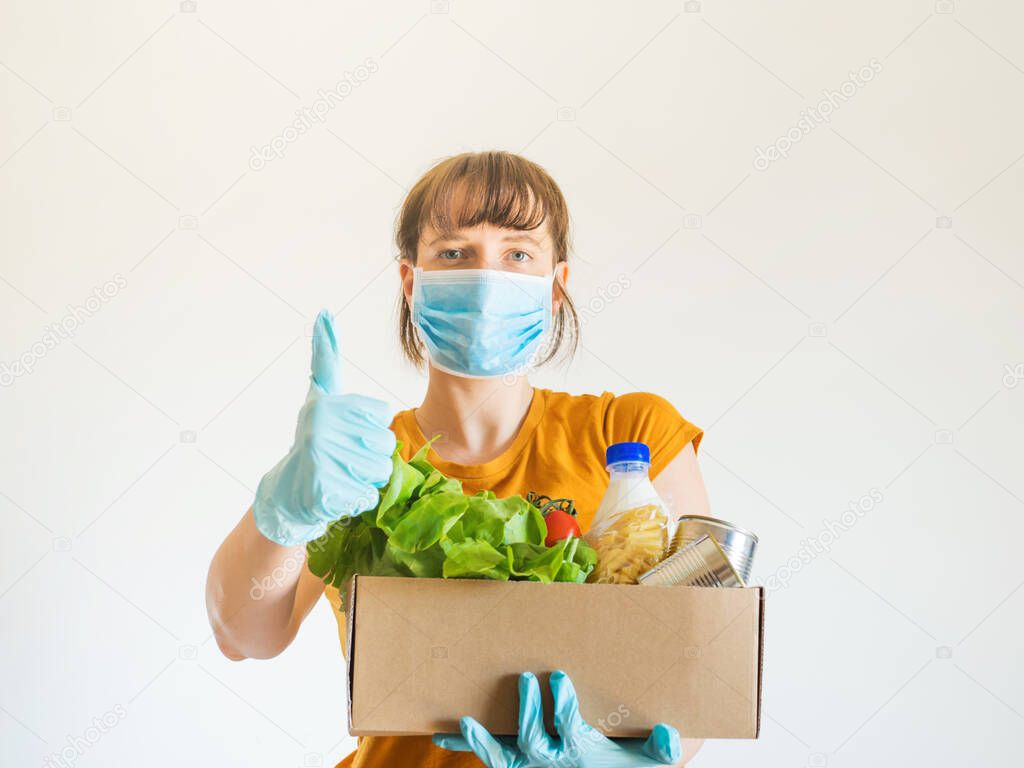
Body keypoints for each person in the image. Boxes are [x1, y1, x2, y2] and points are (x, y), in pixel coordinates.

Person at [206, 151, 711, 767]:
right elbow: (244, 636)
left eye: (517, 254)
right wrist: (287, 509)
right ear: (411, 281)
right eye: (454, 252)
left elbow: (699, 668)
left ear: (557, 286)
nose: (486, 276)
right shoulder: (361, 460)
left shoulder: (630, 436)